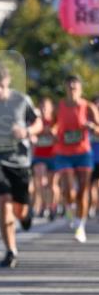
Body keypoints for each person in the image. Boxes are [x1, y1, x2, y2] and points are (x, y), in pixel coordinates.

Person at [0, 63, 42, 268]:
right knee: (3, 202)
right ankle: (10, 250)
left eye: (1, 86)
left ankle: (25, 215)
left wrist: (26, 132)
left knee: (19, 208)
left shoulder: (21, 100)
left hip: (19, 160)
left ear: (8, 82)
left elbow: (38, 124)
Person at [54, 75, 99, 243]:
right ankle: (68, 208)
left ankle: (80, 227)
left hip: (83, 153)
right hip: (64, 153)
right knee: (68, 190)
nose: (72, 89)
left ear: (80, 89)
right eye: (69, 86)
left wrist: (93, 127)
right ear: (66, 88)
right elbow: (51, 125)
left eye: (75, 87)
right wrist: (52, 131)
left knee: (83, 191)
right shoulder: (59, 107)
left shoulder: (88, 107)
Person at [31, 96, 58, 219]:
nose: (43, 109)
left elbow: (61, 136)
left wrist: (54, 134)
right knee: (41, 181)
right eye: (41, 106)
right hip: (39, 155)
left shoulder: (55, 121)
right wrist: (33, 138)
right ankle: (42, 206)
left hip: (53, 156)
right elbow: (30, 134)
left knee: (52, 185)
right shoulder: (36, 121)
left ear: (51, 108)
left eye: (46, 107)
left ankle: (52, 206)